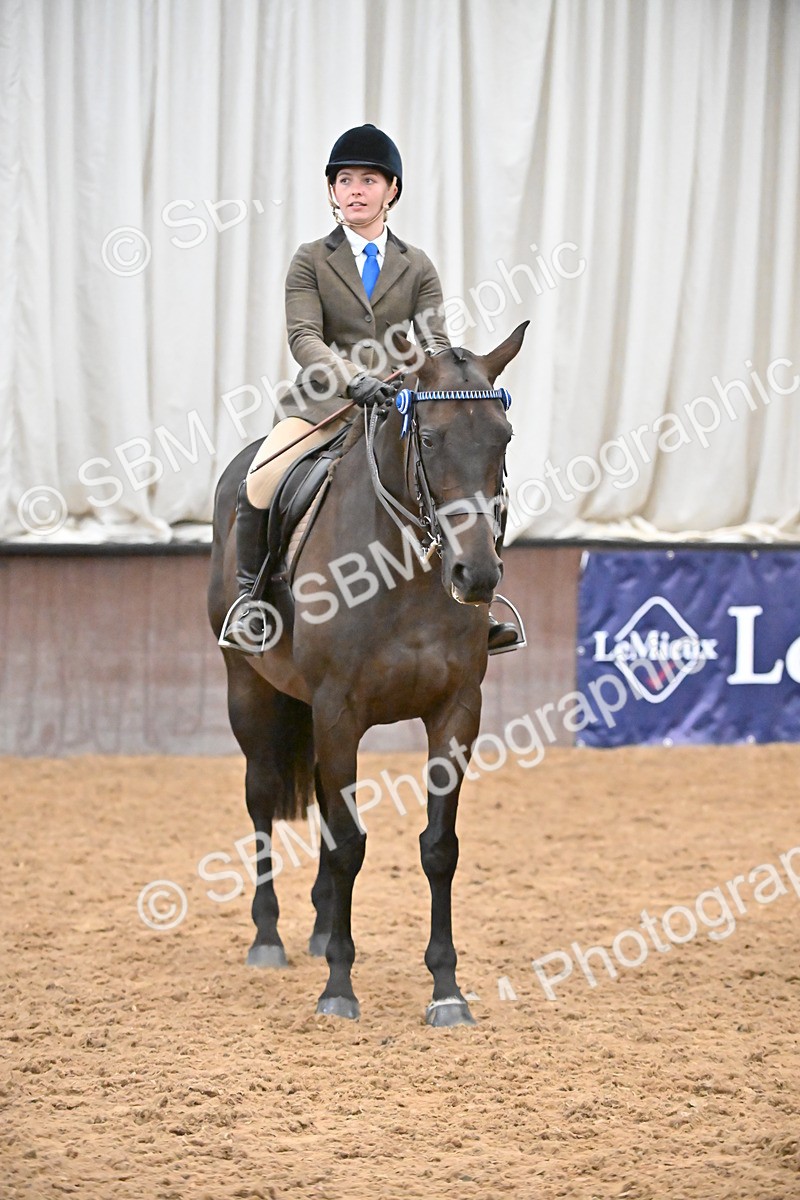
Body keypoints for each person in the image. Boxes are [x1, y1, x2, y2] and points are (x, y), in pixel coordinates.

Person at [221, 123, 520, 654]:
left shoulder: (417, 264)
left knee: (466, 470)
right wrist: (350, 379)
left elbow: (434, 343)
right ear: (333, 192)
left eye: (368, 180)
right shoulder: (310, 260)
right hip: (322, 406)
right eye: (344, 181)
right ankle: (253, 600)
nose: (355, 190)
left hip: (398, 408)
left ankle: (480, 602)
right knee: (261, 480)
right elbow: (304, 336)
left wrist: (438, 384)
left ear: (392, 190)